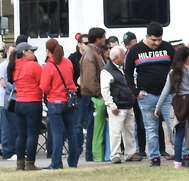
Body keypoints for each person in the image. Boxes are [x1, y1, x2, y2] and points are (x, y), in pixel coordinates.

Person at [124, 22, 175, 166]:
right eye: (153, 40)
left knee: (174, 126)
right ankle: (154, 157)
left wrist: (175, 88)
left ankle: (183, 155)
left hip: (167, 95)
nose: (157, 43)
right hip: (146, 95)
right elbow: (127, 73)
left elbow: (177, 68)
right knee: (151, 128)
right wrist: (135, 92)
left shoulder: (168, 47)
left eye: (159, 39)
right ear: (146, 36)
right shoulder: (135, 50)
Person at [156, 44, 189, 169]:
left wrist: (157, 107)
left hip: (178, 103)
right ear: (188, 58)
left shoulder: (172, 73)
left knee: (179, 134)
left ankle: (177, 163)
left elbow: (165, 91)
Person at [41, 38, 81, 169]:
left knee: (57, 134)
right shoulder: (68, 62)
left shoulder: (49, 66)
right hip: (69, 100)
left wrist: (50, 94)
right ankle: (73, 161)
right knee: (72, 132)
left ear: (48, 51)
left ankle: (56, 162)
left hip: (55, 101)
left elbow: (44, 86)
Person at [100, 45, 139, 164]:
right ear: (116, 58)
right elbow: (104, 90)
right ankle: (115, 155)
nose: (125, 57)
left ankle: (130, 153)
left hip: (127, 104)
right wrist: (112, 106)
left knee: (130, 130)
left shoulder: (122, 68)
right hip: (118, 106)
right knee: (115, 132)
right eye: (123, 56)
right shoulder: (106, 71)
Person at [10, 41, 42, 171]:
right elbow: (43, 82)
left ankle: (20, 163)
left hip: (19, 102)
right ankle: (30, 163)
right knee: (32, 134)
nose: (33, 53)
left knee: (21, 135)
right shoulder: (34, 66)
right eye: (31, 51)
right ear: (24, 52)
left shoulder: (14, 66)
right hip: (33, 101)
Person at [79, 27, 107, 162]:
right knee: (92, 126)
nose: (105, 39)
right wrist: (99, 94)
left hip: (94, 95)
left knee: (94, 126)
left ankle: (93, 154)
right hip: (93, 97)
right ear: (98, 39)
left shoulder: (94, 52)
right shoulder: (90, 54)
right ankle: (91, 155)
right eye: (104, 37)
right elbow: (90, 79)